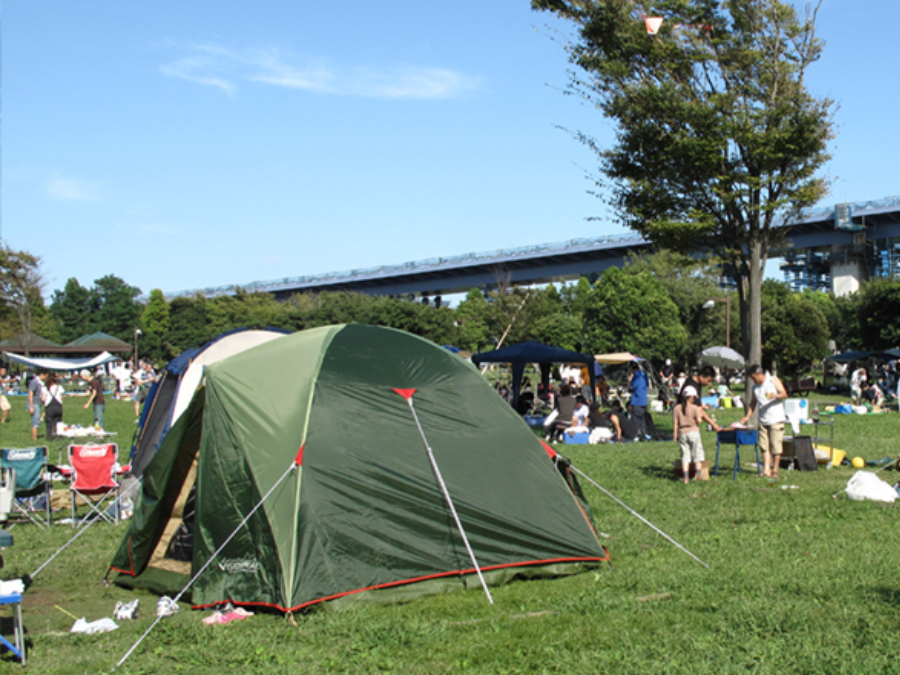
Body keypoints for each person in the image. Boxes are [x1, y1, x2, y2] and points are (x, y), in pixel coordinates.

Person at [740, 364, 788, 479]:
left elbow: (784, 394)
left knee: (776, 446)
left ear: (759, 374)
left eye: (753, 377)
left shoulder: (773, 380)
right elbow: (753, 403)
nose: (753, 380)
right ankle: (766, 469)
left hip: (776, 419)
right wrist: (747, 416)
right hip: (763, 420)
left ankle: (775, 470)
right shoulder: (755, 388)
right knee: (764, 446)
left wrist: (776, 395)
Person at [673, 386, 721, 483]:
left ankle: (686, 477)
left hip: (682, 432)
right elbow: (699, 421)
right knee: (697, 453)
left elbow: (675, 422)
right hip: (693, 431)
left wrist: (675, 434)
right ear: (692, 397)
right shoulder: (695, 408)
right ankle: (698, 475)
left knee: (685, 455)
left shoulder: (677, 408)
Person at [628, 362, 649, 440]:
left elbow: (633, 386)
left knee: (636, 419)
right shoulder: (644, 374)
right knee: (642, 418)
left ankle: (637, 434)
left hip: (637, 400)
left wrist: (630, 380)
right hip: (644, 400)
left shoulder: (636, 375)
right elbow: (646, 384)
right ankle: (643, 434)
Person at [42, 372, 65, 440]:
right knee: (58, 422)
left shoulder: (45, 388)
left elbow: (43, 398)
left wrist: (44, 403)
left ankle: (49, 437)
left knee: (49, 423)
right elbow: (63, 396)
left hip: (49, 406)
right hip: (58, 406)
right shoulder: (59, 387)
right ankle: (59, 436)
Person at [27, 370, 46, 440]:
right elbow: (30, 394)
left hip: (38, 403)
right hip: (34, 403)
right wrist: (31, 406)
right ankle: (34, 438)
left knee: (38, 419)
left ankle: (35, 436)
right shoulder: (34, 382)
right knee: (36, 420)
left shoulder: (40, 382)